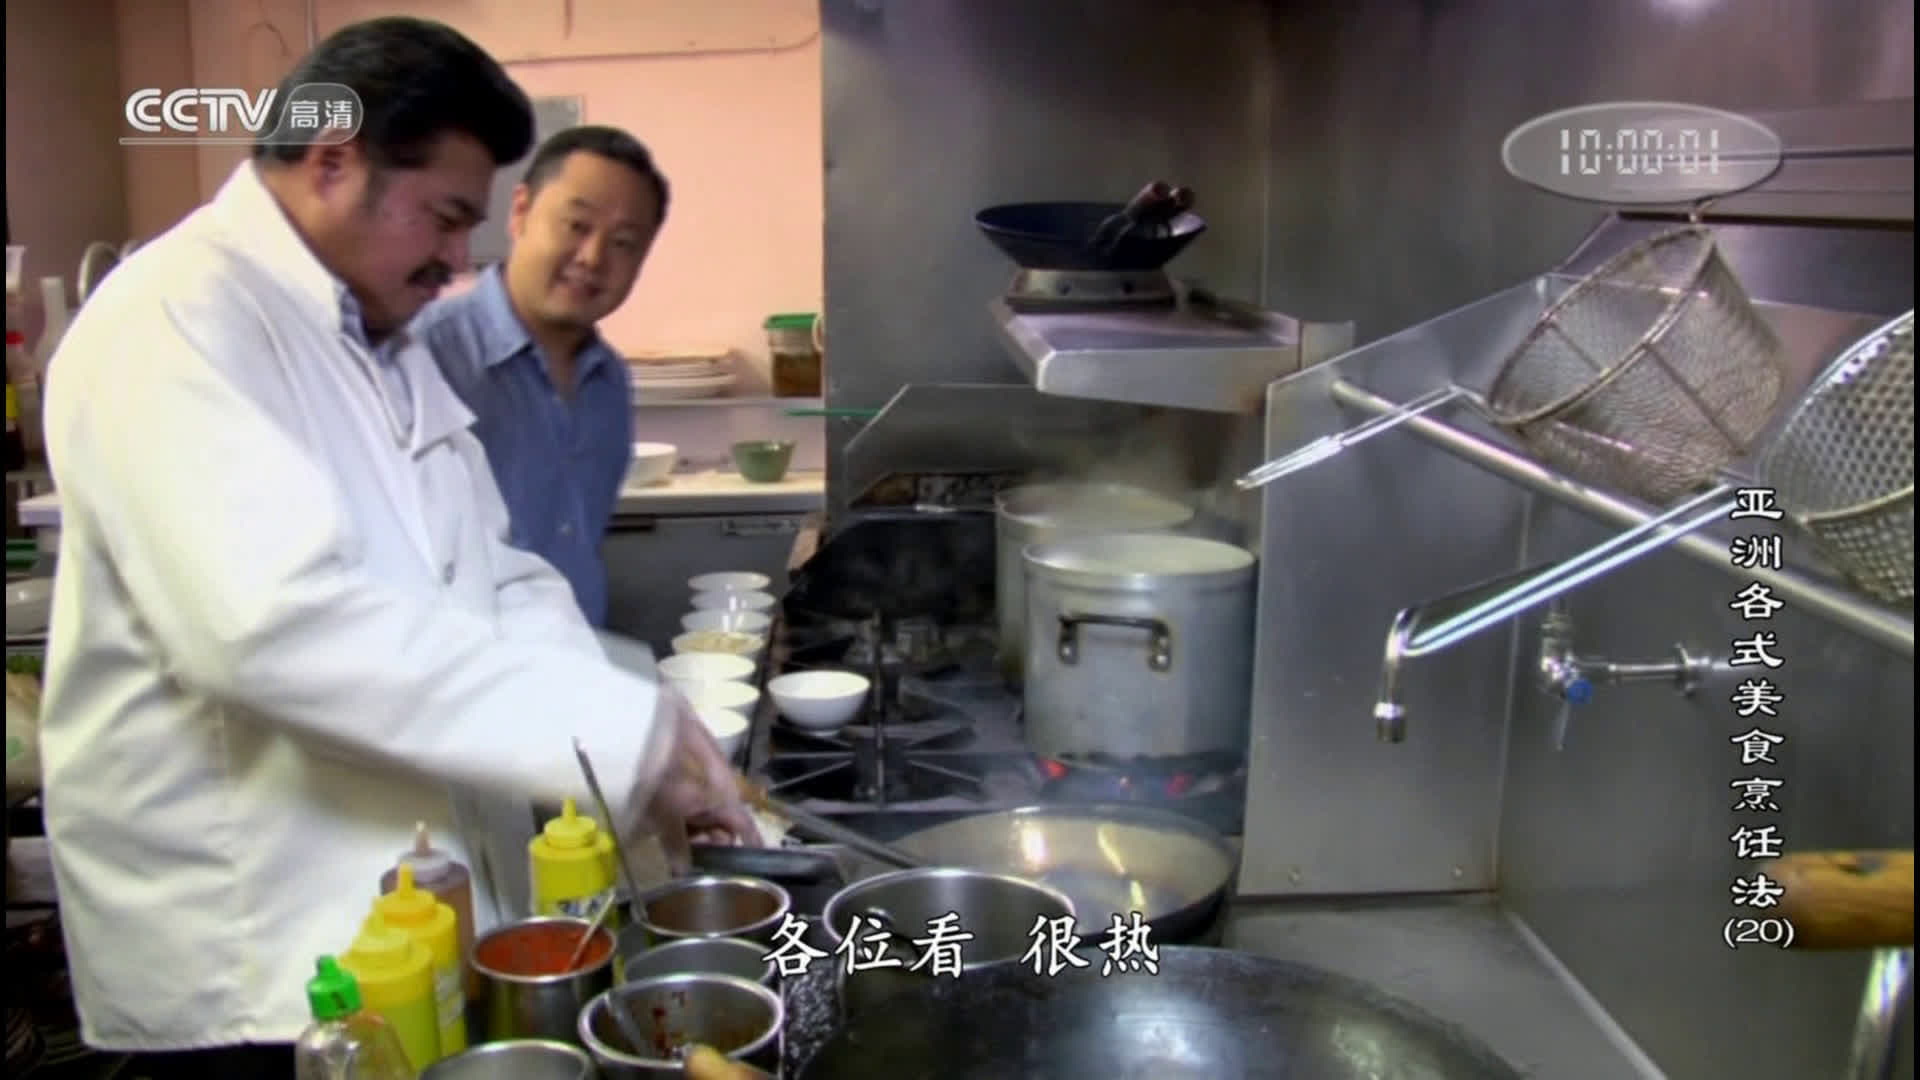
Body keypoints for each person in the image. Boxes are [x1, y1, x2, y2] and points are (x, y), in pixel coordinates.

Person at [37, 17, 755, 1079]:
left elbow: (497, 573)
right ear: (335, 161)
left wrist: (643, 724)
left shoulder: (376, 337)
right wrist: (615, 731)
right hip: (257, 952)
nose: (460, 260)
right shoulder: (174, 317)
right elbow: (271, 628)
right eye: (447, 217)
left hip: (409, 920)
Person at [415, 125, 667, 628]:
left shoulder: (610, 383)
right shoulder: (424, 358)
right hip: (459, 670)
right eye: (576, 225)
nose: (593, 257)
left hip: (575, 661)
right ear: (521, 211)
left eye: (623, 243)